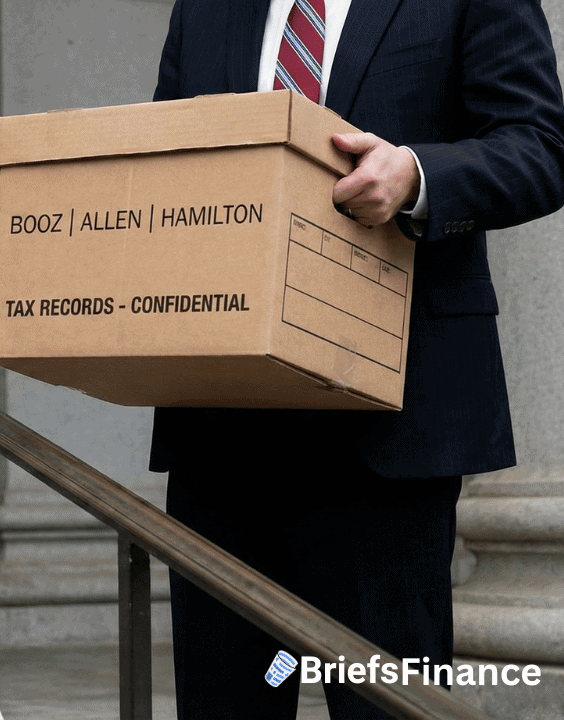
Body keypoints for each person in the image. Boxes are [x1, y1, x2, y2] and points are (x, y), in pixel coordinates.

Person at [149, 0, 564, 718]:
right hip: (221, 419)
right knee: (224, 699)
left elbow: (539, 147)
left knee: (386, 702)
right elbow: (164, 156)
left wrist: (417, 175)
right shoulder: (206, 8)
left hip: (391, 417)